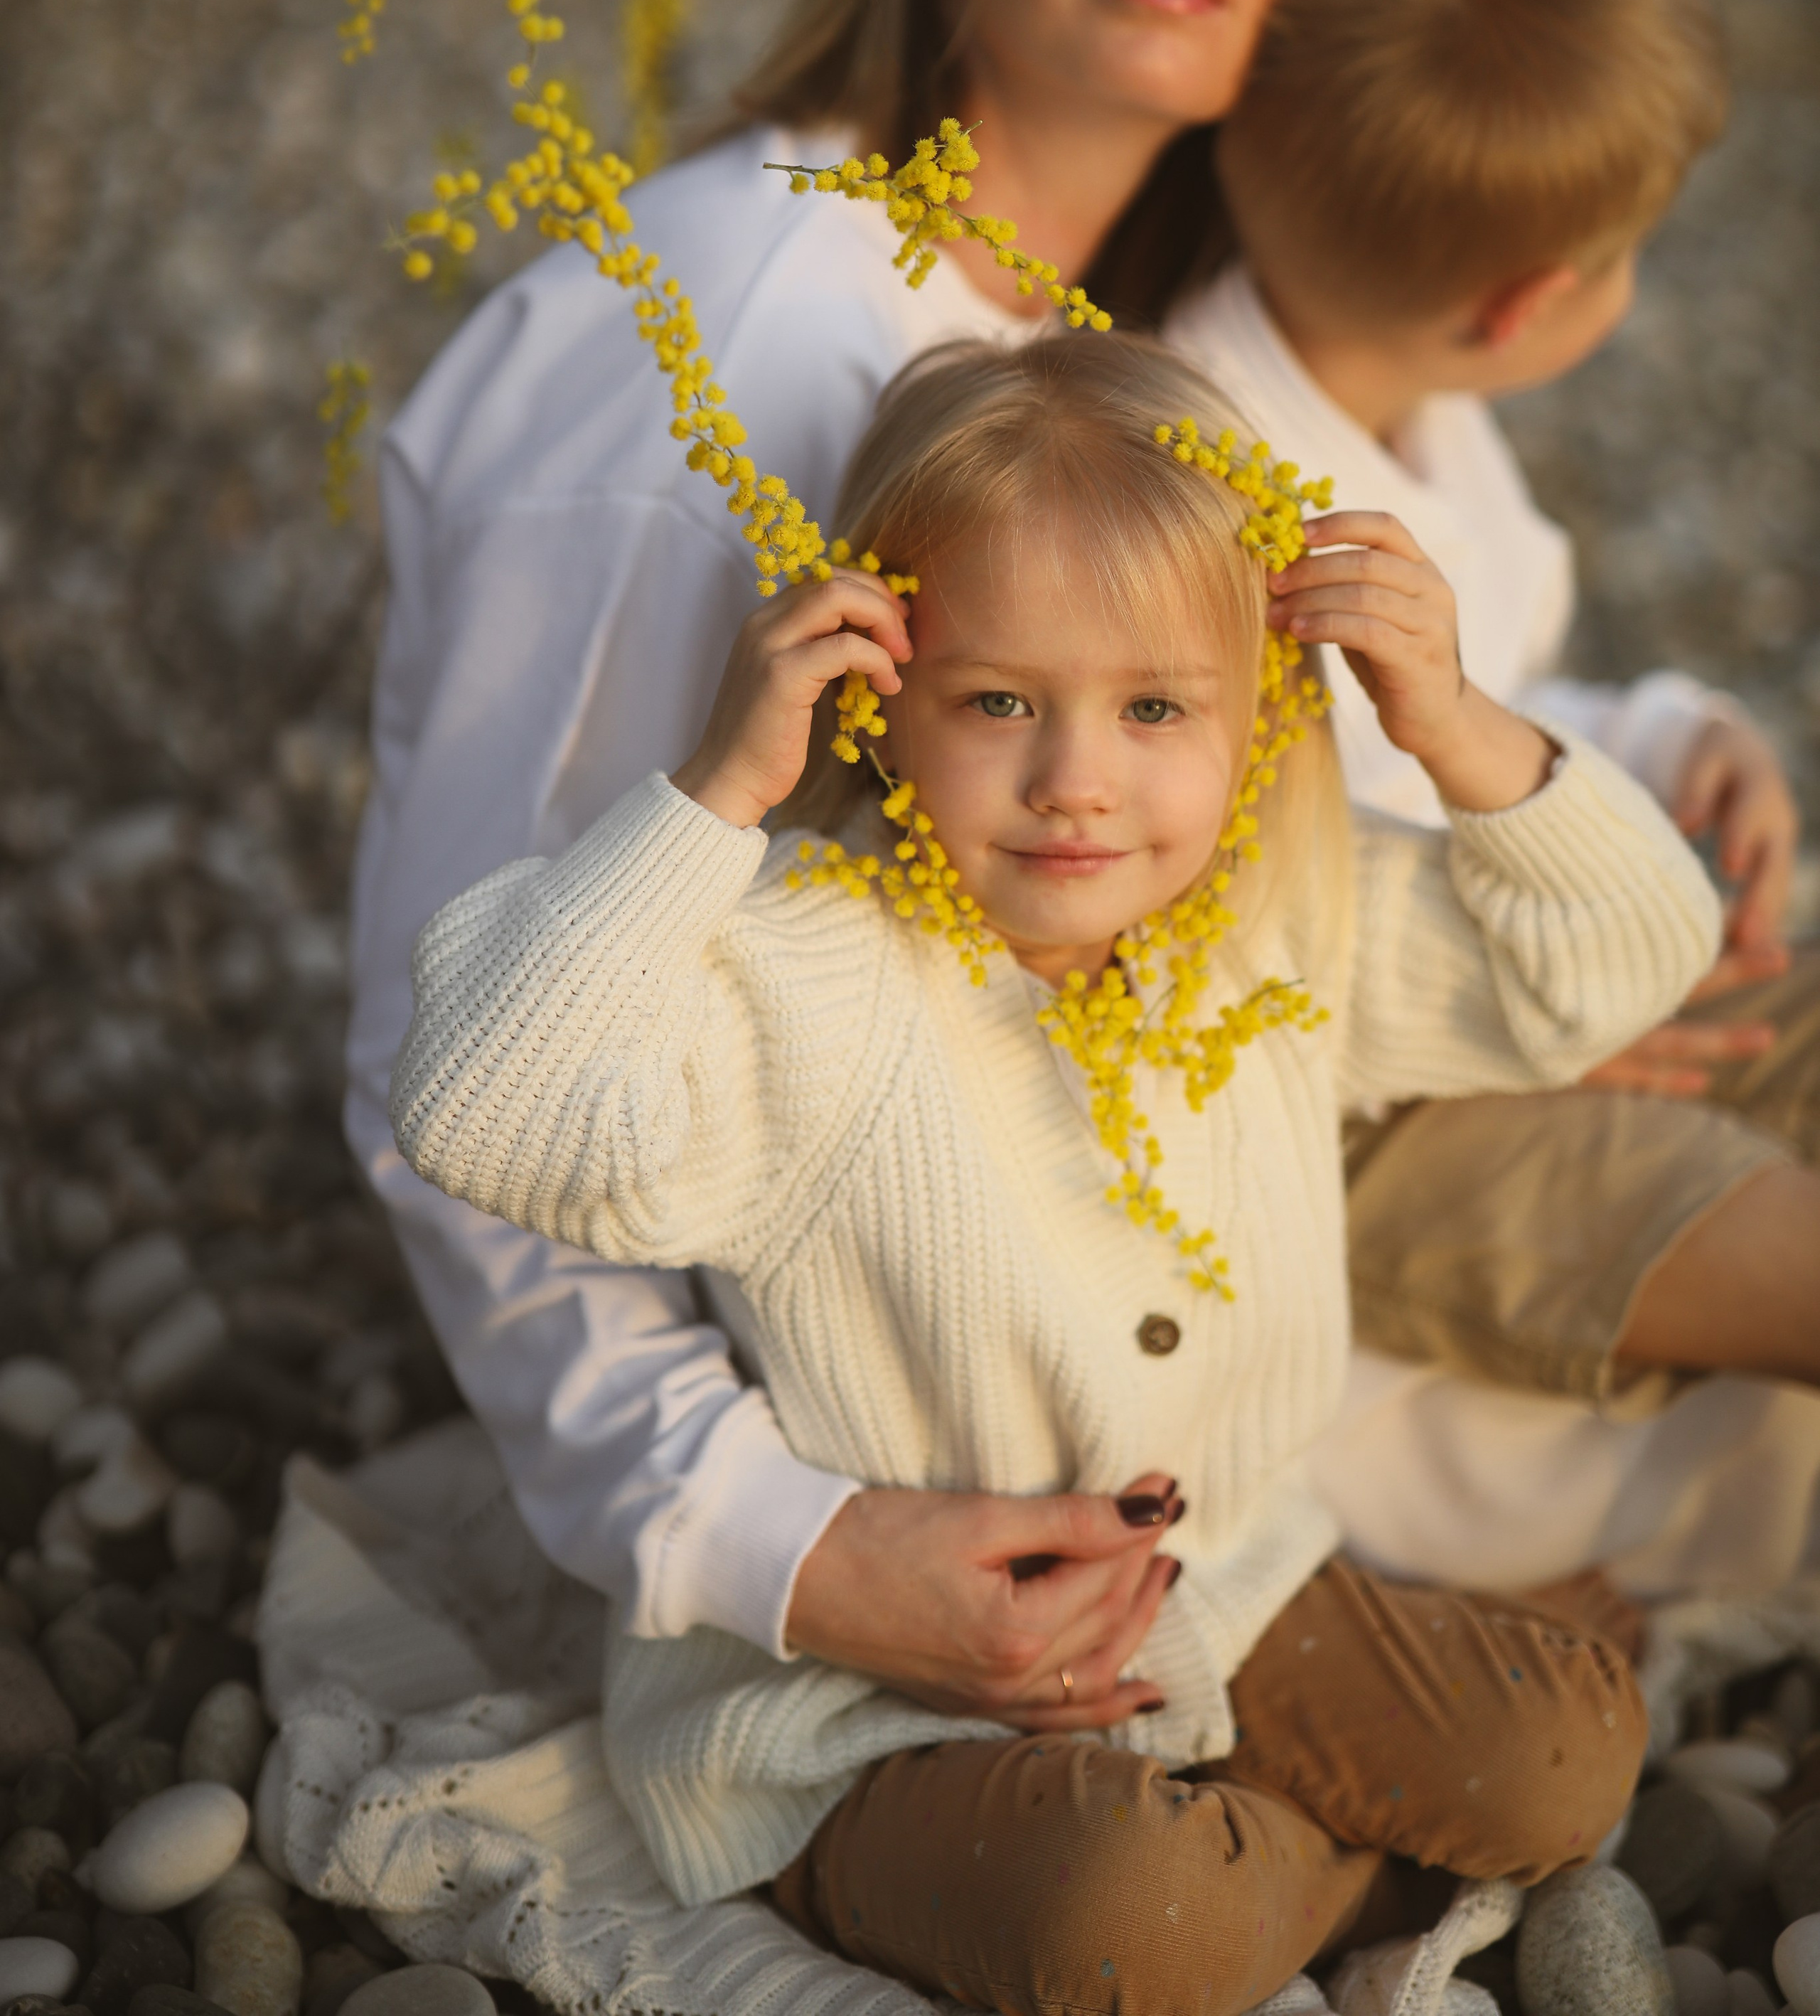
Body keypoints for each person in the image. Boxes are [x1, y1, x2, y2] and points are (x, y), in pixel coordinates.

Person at [346, 0, 1408, 1726]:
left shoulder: (1141, 331)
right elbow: (442, 1056)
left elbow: (1354, 701)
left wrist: (1663, 742)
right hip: (888, 1372)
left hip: (1197, 1257)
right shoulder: (717, 358)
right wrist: (794, 1551)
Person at [385, 328, 1718, 2012]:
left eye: (1155, 707)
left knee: (1567, 1756)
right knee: (1135, 1925)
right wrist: (719, 790)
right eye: (997, 700)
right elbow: (478, 1104)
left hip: (1220, 1588)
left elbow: (1624, 962)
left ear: (1255, 713)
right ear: (877, 693)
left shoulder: (1275, 920)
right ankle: (1223, 1874)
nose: (1075, 780)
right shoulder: (812, 977)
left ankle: (1234, 1861)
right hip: (869, 1712)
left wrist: (1451, 728)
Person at [1164, 0, 1819, 1579]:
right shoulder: (1198, 507)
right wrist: (1543, 1009)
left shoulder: (1409, 419)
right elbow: (1226, 923)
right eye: (1624, 259)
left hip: (1539, 980)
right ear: (1529, 305)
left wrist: (1671, 733)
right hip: (1352, 1132)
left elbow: (1491, 699)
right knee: (1772, 1250)